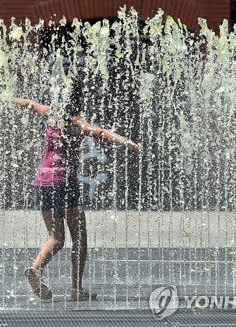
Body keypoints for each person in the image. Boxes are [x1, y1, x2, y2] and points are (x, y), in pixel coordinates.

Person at [9, 91, 139, 301]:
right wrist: (125, 141)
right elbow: (101, 132)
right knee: (79, 237)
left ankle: (35, 268)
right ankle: (76, 288)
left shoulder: (50, 115)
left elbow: (29, 103)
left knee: (56, 238)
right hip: (64, 184)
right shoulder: (76, 122)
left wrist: (8, 98)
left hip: (42, 183)